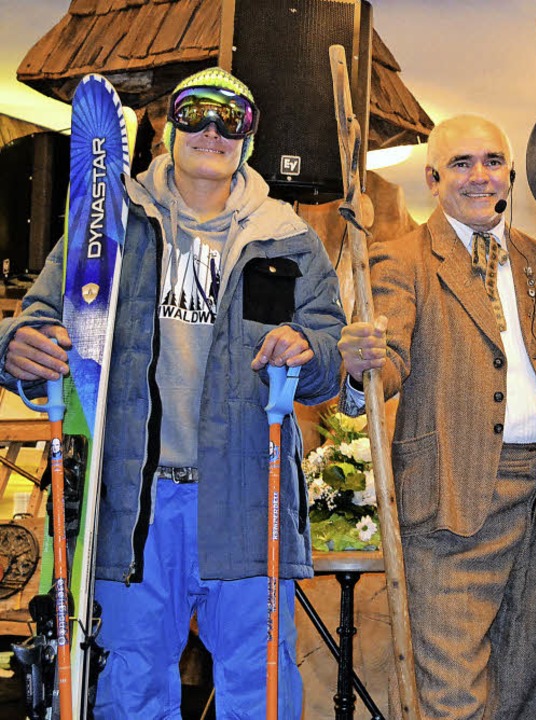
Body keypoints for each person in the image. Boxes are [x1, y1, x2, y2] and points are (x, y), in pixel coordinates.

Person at [0, 67, 345, 718]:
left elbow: (331, 353)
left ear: (250, 138)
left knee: (261, 689)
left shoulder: (289, 238)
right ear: (166, 128)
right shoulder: (108, 221)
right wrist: (18, 347)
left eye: (232, 118)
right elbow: (40, 318)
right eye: (195, 113)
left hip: (247, 497)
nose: (213, 130)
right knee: (130, 686)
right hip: (133, 503)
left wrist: (310, 348)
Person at [338, 114, 536, 719]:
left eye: (492, 161)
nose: (479, 175)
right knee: (450, 693)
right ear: (433, 179)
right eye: (461, 164)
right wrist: (362, 370)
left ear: (510, 174)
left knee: (531, 687)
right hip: (449, 499)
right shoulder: (400, 260)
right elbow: (387, 357)